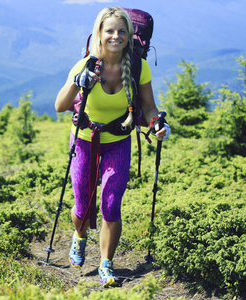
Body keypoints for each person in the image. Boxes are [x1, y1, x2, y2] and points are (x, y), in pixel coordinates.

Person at [54, 7, 170, 288]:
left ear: (130, 35)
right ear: (99, 34)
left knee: (110, 205)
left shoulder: (138, 67)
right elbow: (59, 106)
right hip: (83, 141)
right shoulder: (86, 66)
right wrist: (78, 83)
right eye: (109, 31)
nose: (115, 36)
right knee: (82, 207)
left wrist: (156, 124)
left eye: (121, 31)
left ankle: (106, 264)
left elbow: (149, 105)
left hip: (118, 142)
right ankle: (80, 237)